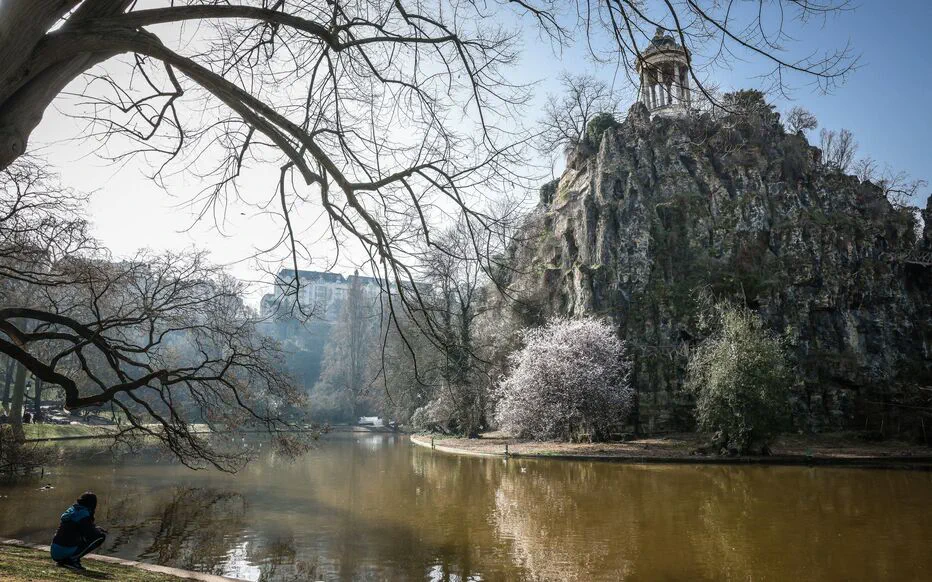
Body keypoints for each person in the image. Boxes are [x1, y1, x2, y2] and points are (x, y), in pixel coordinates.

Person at [50, 491, 107, 571]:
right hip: (63, 551)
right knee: (100, 537)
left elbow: (78, 528)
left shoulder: (72, 510)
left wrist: (95, 528)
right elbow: (90, 534)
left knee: (90, 535)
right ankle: (71, 560)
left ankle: (68, 559)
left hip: (55, 551)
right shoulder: (83, 514)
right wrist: (97, 530)